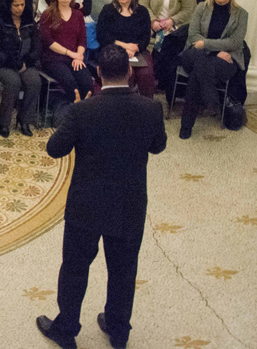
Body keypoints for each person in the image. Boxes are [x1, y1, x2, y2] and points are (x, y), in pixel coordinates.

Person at [37, 45, 166, 349]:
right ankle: (118, 330)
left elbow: (55, 148)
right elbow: (158, 146)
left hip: (87, 204)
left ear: (98, 73)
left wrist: (68, 122)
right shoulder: (150, 109)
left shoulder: (82, 110)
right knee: (123, 269)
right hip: (129, 204)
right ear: (130, 72)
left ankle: (66, 328)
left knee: (75, 266)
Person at [179, 0, 249, 139]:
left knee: (199, 72)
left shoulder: (241, 14)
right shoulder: (202, 8)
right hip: (196, 53)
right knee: (201, 61)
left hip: (226, 59)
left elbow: (235, 42)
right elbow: (193, 35)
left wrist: (207, 45)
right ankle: (210, 96)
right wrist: (215, 49)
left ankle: (186, 127)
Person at [139, 0, 195, 99]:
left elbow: (188, 8)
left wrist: (172, 20)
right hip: (153, 23)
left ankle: (164, 80)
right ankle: (154, 77)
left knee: (170, 40)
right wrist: (153, 20)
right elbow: (143, 4)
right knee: (158, 38)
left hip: (174, 24)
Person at [0, 0, 41, 137]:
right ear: (8, 5)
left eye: (22, 4)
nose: (20, 8)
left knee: (34, 81)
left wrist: (27, 61)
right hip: (2, 64)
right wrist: (14, 63)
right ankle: (4, 123)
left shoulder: (29, 22)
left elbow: (37, 47)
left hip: (25, 62)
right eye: (16, 5)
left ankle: (24, 120)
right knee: (13, 82)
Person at [97, 0, 155, 99]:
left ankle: (146, 106)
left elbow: (145, 37)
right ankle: (122, 105)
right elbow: (102, 35)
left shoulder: (142, 12)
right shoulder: (108, 10)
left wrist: (134, 49)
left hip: (137, 51)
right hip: (114, 50)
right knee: (127, 75)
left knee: (146, 74)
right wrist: (125, 46)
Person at [40, 0, 94, 103]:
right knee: (71, 85)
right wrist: (71, 54)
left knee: (88, 85)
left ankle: (84, 113)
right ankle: (72, 114)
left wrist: (79, 55)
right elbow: (49, 42)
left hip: (74, 59)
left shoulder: (78, 15)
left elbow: (82, 40)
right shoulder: (47, 15)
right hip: (53, 59)